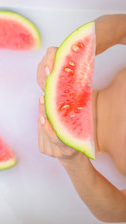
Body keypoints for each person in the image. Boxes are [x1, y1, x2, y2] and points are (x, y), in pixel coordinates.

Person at [37, 14, 126, 222]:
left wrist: (73, 162)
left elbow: (119, 213)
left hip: (69, 154)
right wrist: (80, 50)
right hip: (72, 83)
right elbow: (123, 27)